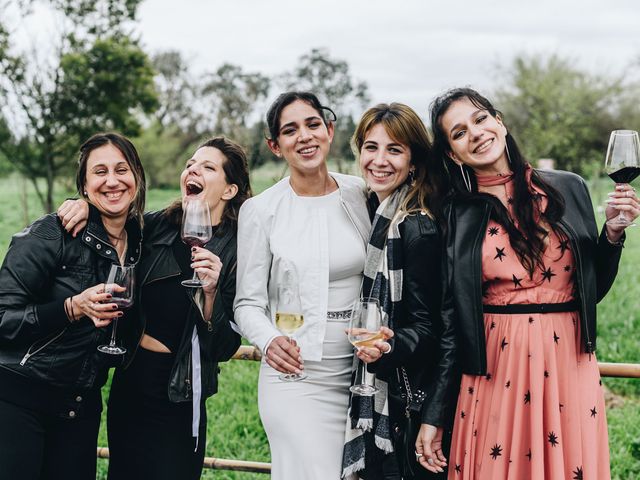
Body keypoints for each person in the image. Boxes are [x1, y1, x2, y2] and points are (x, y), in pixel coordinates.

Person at [429, 87, 638, 480]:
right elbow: (449, 318)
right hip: (493, 367)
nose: (475, 133)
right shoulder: (453, 213)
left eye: (480, 119)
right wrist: (436, 412)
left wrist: (612, 233)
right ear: (453, 154)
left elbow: (591, 291)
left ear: (500, 122)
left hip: (569, 359)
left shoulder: (568, 186)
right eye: (458, 133)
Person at [57, 136, 248, 479]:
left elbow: (223, 346)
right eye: (191, 163)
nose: (193, 169)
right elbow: (108, 222)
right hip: (131, 381)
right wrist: (84, 205)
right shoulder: (155, 225)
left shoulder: (238, 248)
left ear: (230, 190)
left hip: (180, 393)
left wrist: (211, 293)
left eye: (207, 167)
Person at [233, 91, 371, 479]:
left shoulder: (361, 193)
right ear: (275, 146)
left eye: (313, 124)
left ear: (329, 130)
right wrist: (268, 340)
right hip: (296, 374)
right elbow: (246, 303)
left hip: (360, 371)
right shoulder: (261, 211)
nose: (305, 136)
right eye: (290, 130)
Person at [0, 132, 145, 480]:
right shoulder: (52, 234)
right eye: (100, 172)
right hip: (19, 400)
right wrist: (71, 308)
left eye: (122, 169)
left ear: (137, 178)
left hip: (80, 405)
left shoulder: (143, 238)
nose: (113, 180)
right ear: (83, 185)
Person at [341, 103, 457, 480]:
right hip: (385, 391)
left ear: (413, 161)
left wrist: (389, 347)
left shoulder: (415, 226)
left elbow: (431, 327)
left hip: (405, 400)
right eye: (371, 147)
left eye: (394, 149)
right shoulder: (375, 212)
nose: (379, 160)